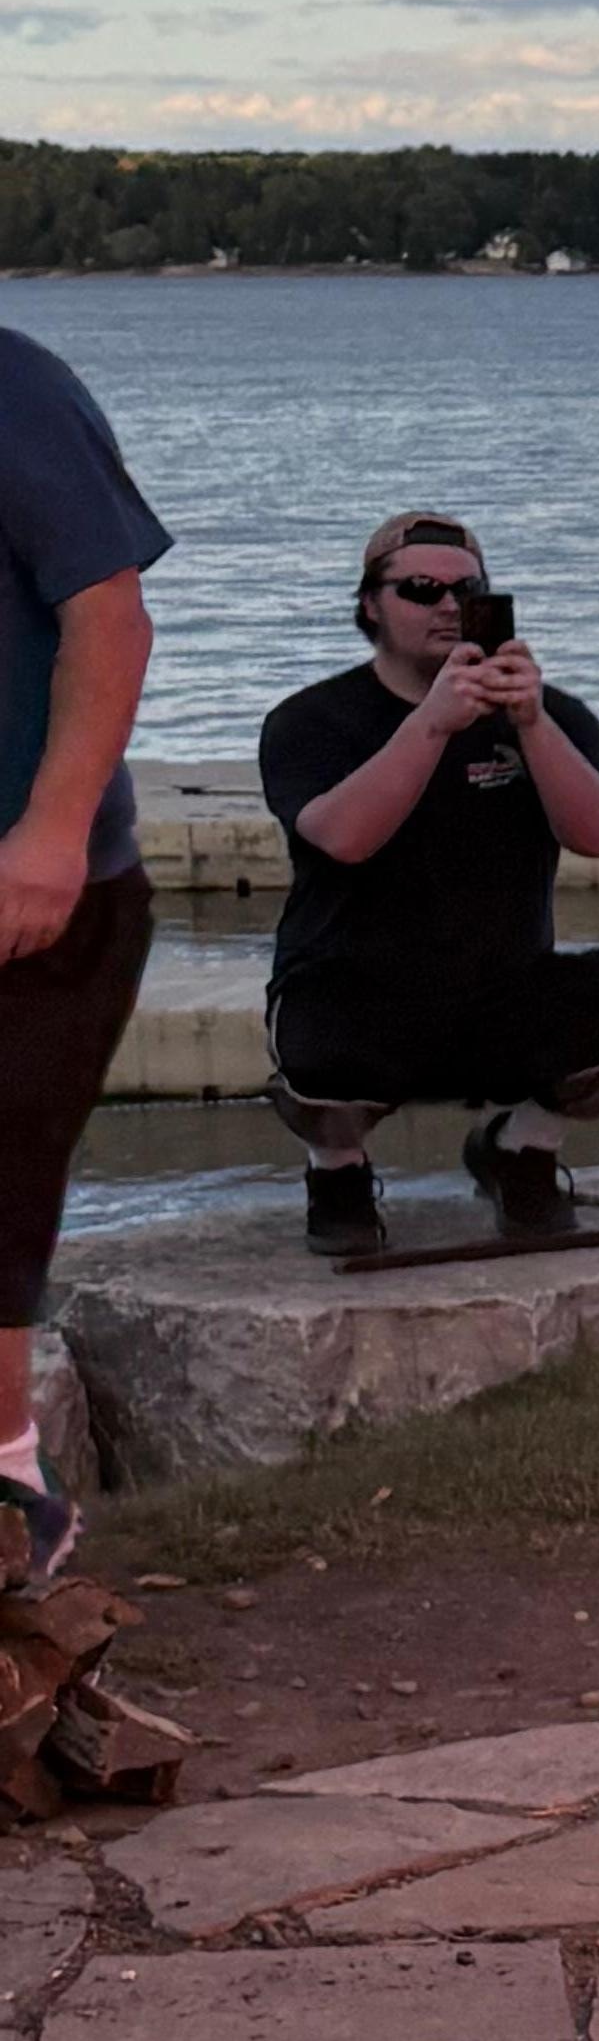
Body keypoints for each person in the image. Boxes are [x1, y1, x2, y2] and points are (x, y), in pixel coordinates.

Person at [260, 514, 599, 1260]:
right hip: (355, 989)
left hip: (500, 988)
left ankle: (519, 1150)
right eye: (421, 589)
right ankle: (338, 1173)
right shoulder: (310, 720)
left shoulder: (553, 716)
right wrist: (433, 725)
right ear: (370, 606)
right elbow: (345, 838)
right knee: (315, 1063)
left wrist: (533, 726)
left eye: (468, 590)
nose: (448, 605)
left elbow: (597, 834)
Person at [0, 318, 168, 1587]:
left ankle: (14, 1495)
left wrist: (51, 832)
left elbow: (108, 618)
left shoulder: (14, 385)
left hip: (37, 885)